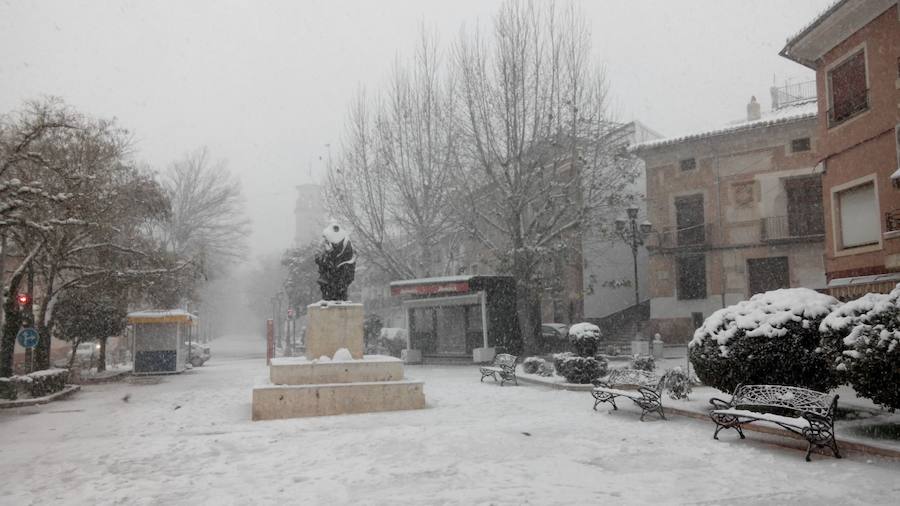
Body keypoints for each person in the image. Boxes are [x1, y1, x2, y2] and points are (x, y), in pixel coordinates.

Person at [314, 223, 356, 301]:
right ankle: (331, 296)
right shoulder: (325, 241)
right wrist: (326, 257)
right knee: (329, 288)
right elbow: (317, 256)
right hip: (329, 273)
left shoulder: (346, 242)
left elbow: (351, 256)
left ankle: (340, 296)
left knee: (341, 288)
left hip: (341, 273)